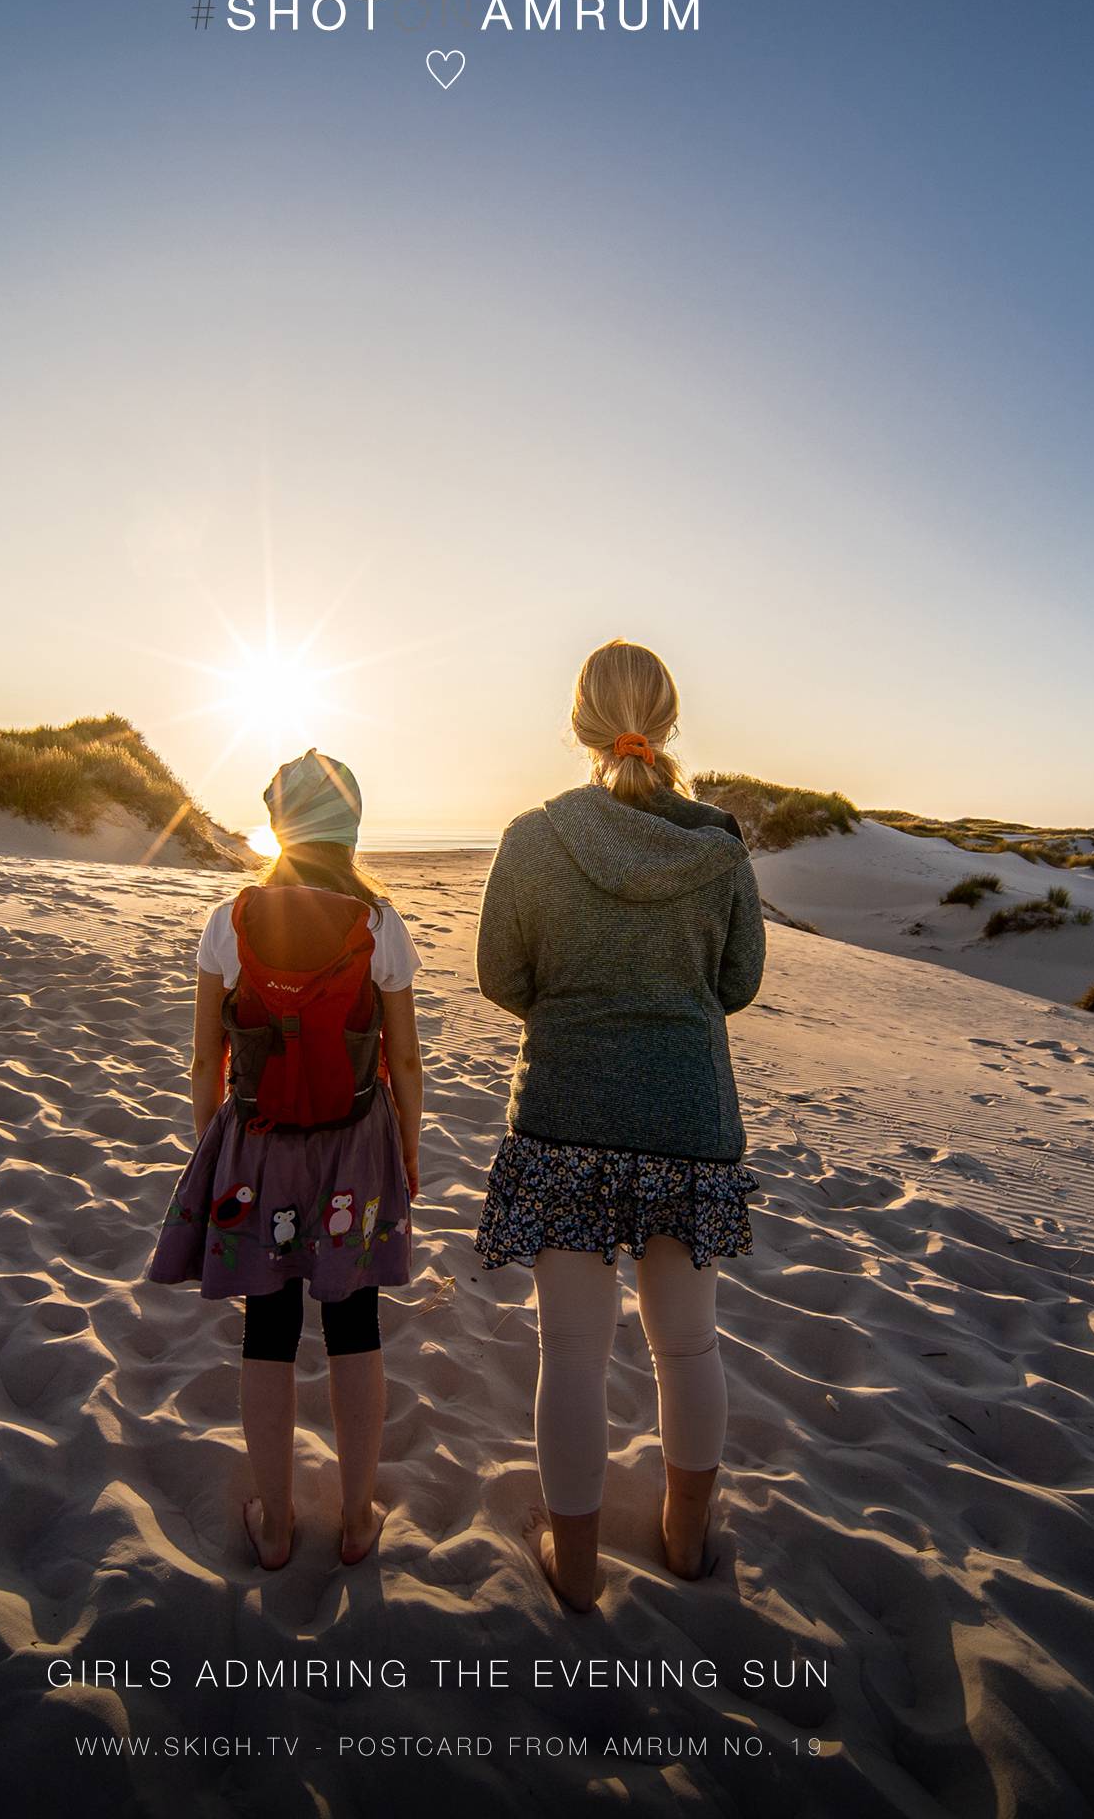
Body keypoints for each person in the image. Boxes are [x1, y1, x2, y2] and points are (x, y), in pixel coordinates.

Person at [473, 639, 765, 1612]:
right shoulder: (719, 843)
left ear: (579, 724)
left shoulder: (534, 837)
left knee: (571, 1353)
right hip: (688, 1118)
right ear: (668, 721)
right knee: (689, 1347)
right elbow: (737, 982)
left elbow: (501, 977)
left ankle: (576, 1567)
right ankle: (684, 1541)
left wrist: (580, 1010)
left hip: (566, 1115)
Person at [147, 749, 425, 1569]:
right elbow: (406, 1060)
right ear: (351, 826)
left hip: (256, 1147)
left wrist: (215, 1144)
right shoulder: (378, 924)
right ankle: (357, 1517)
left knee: (268, 1329)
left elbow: (206, 1059)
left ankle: (274, 1526)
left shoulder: (227, 922)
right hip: (355, 1149)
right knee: (355, 1324)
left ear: (279, 827)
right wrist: (407, 1150)